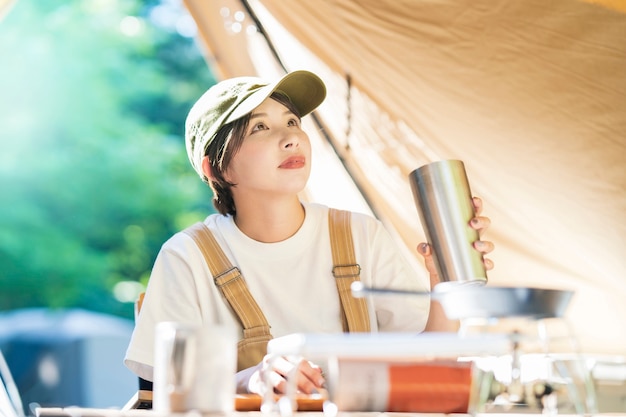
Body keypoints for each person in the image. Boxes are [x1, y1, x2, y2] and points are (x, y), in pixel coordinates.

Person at [124, 70, 494, 395]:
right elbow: (168, 391)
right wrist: (250, 379)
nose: (290, 138)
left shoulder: (361, 234)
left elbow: (430, 362)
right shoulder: (187, 256)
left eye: (292, 122)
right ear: (216, 170)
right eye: (260, 127)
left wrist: (444, 283)